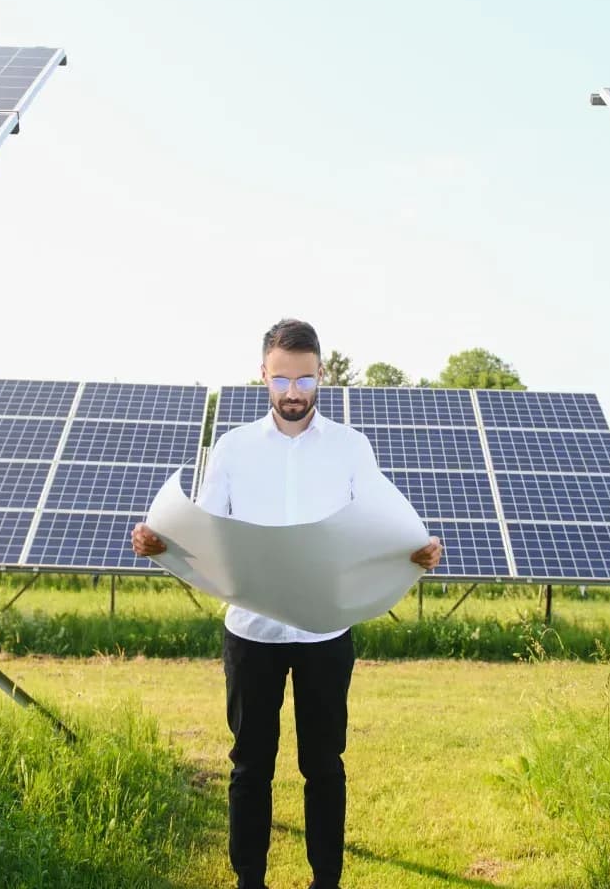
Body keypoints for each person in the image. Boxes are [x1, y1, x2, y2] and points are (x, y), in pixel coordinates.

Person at [131, 318, 442, 889]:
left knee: (324, 766)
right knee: (251, 766)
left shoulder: (352, 448)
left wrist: (417, 552)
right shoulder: (233, 448)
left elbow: (380, 523)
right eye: (281, 381)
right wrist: (159, 543)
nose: (293, 393)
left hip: (326, 634)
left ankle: (327, 881)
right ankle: (251, 880)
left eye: (304, 379)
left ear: (322, 375)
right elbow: (207, 531)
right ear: (263, 377)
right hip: (251, 635)